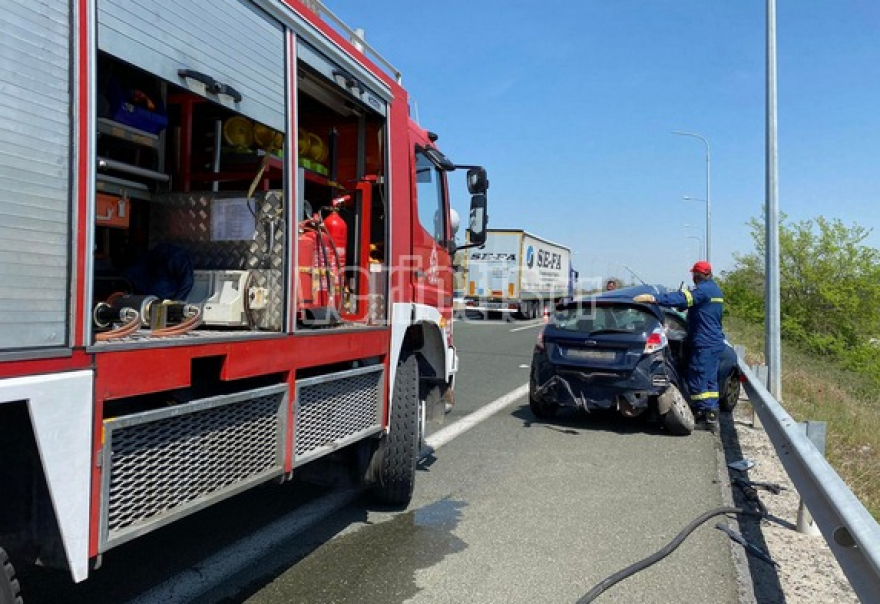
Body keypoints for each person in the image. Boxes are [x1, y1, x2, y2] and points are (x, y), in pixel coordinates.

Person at [633, 261, 725, 433]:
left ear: (697, 275)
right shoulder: (715, 290)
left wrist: (655, 299)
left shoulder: (703, 290)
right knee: (710, 381)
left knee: (697, 379)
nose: (693, 277)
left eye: (694, 274)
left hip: (704, 343)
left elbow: (683, 298)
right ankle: (712, 416)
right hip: (713, 342)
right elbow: (688, 303)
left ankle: (702, 415)